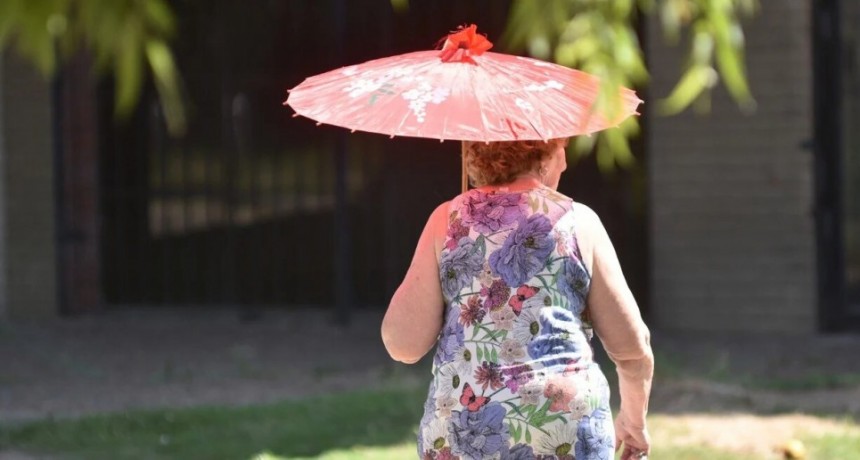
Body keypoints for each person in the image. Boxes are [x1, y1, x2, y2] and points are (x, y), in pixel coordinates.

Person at [381, 138, 654, 460]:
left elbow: (403, 345)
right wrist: (634, 421)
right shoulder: (579, 220)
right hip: (565, 423)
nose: (565, 164)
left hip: (466, 429)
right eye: (563, 148)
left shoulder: (447, 218)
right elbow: (632, 346)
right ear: (547, 153)